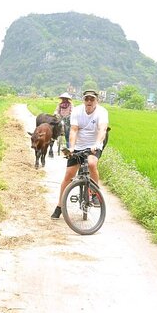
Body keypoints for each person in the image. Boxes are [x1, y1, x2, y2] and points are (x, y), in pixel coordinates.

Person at [51, 89, 109, 219]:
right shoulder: (77, 111)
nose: (89, 101)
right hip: (78, 146)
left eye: (92, 99)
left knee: (92, 163)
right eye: (86, 99)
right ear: (83, 100)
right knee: (68, 175)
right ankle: (59, 206)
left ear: (96, 100)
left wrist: (97, 144)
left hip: (94, 146)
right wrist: (71, 147)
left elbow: (102, 129)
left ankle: (94, 194)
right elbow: (74, 130)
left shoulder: (102, 112)